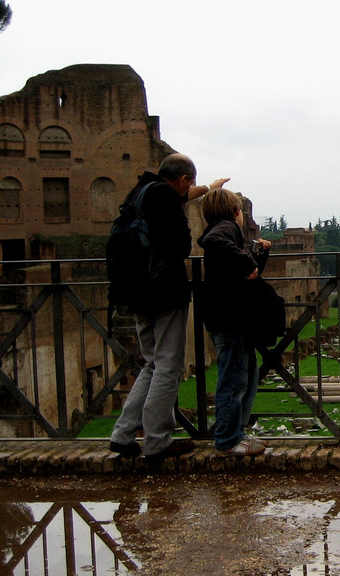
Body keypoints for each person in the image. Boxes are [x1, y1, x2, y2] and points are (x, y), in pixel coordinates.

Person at [109, 154, 229, 462]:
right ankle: (158, 440)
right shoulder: (164, 199)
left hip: (135, 291)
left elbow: (180, 195)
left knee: (151, 363)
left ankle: (123, 435)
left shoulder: (143, 190)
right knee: (168, 365)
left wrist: (207, 188)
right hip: (162, 292)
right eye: (189, 183)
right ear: (183, 179)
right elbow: (180, 246)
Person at [197, 188, 271, 457]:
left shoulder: (228, 231)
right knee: (233, 378)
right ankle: (227, 440)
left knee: (247, 373)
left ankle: (236, 432)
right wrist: (243, 257)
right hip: (227, 317)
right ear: (236, 212)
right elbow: (211, 240)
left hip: (233, 316)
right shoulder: (224, 228)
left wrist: (258, 255)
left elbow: (249, 275)